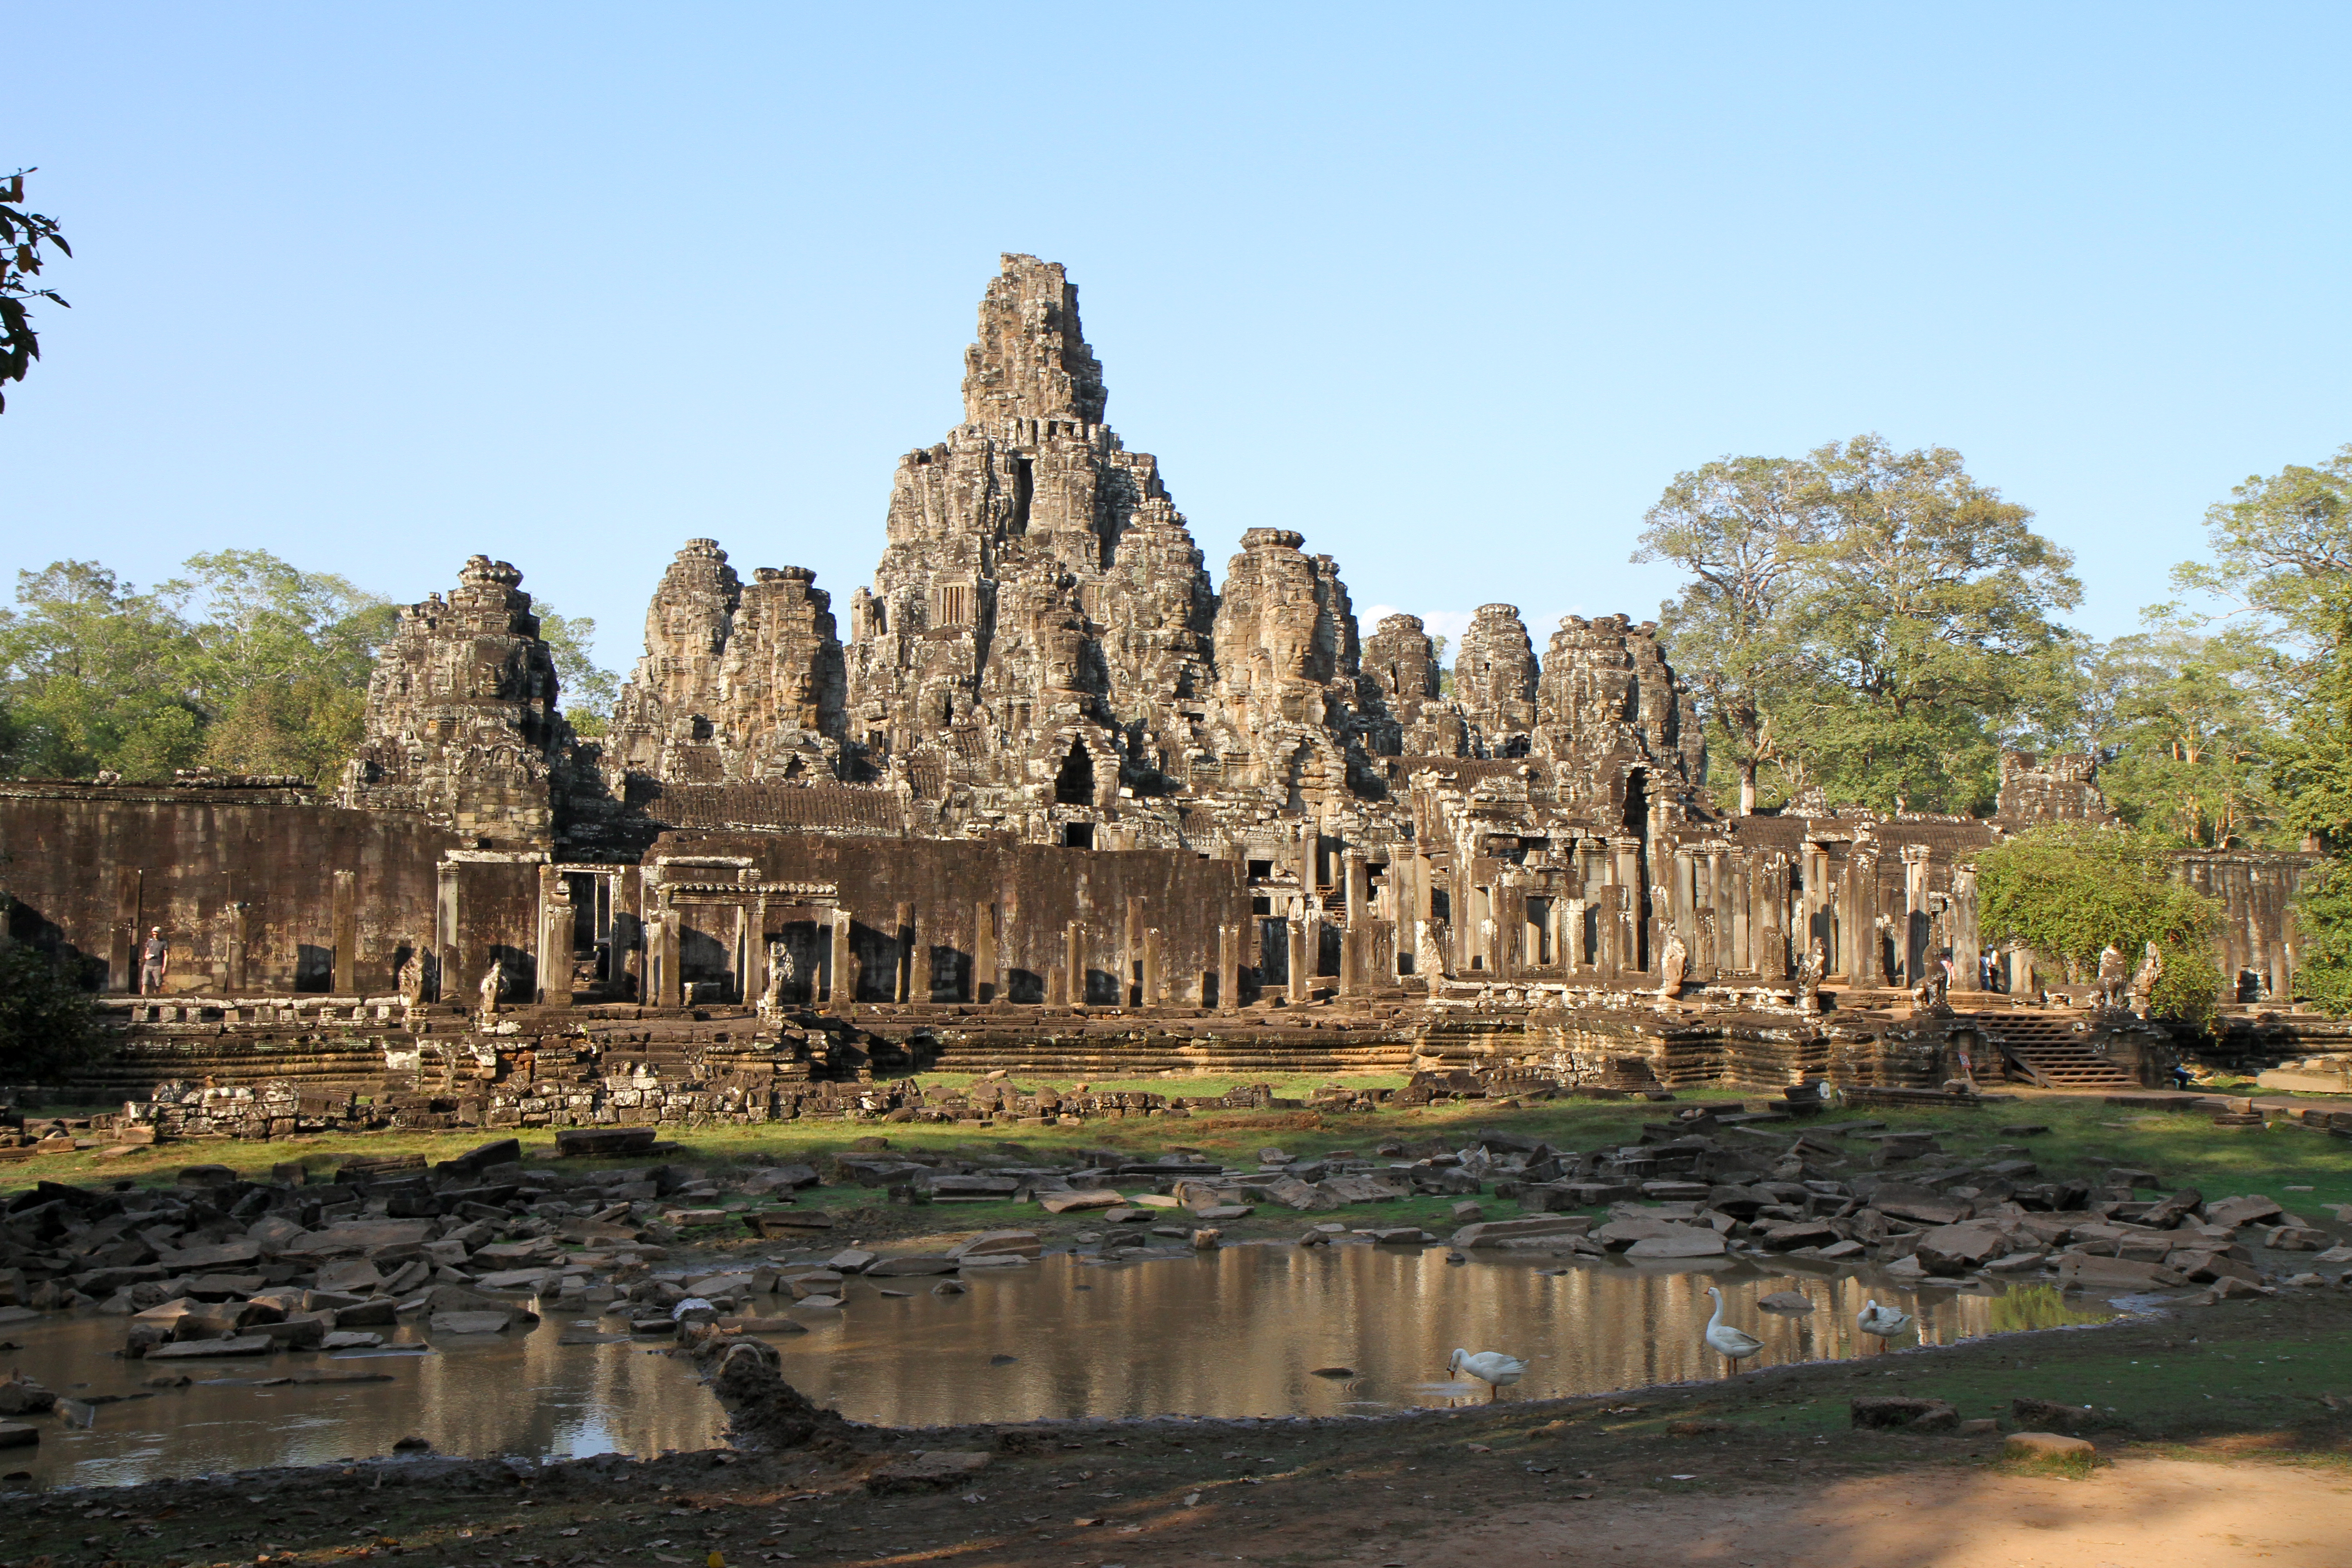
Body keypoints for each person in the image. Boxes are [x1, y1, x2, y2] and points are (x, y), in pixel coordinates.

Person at [138, 926, 169, 994]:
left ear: (159, 934)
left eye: (156, 934)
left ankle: (156, 1000)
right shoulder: (150, 941)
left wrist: (164, 967)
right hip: (148, 965)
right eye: (153, 934)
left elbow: (166, 955)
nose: (154, 935)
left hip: (158, 966)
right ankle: (144, 999)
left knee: (157, 985)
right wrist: (146, 956)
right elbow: (147, 951)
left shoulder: (164, 942)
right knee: (145, 983)